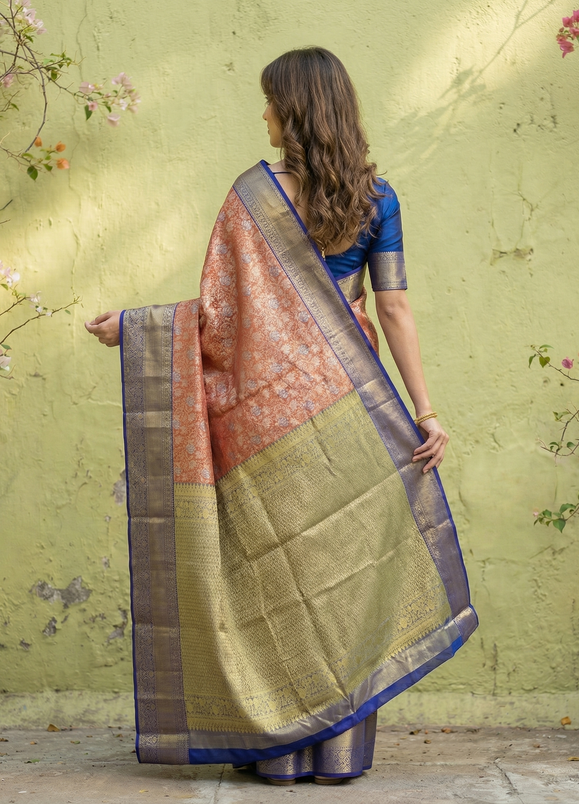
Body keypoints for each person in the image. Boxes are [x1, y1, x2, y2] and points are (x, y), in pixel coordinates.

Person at [86, 47, 477, 786]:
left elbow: (226, 323)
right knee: (339, 576)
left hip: (263, 419)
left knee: (274, 580)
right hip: (353, 412)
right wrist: (425, 410)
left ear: (292, 112)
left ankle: (279, 755)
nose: (261, 115)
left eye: (269, 102)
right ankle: (337, 757)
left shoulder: (249, 198)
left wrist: (135, 329)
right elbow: (391, 307)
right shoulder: (377, 198)